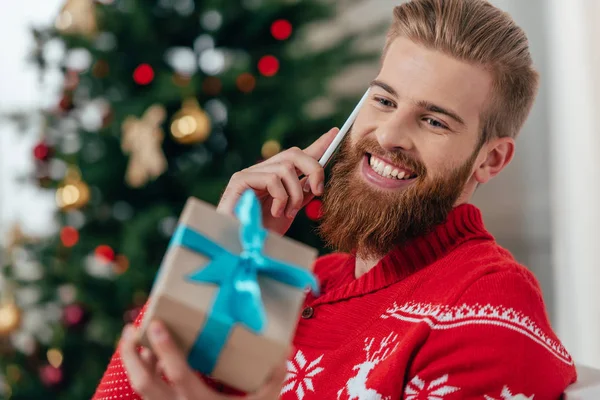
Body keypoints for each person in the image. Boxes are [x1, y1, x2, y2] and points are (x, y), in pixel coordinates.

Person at [92, 0, 578, 399]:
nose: (388, 134)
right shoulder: (298, 284)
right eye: (384, 100)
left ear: (490, 160)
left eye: (434, 121)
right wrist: (225, 250)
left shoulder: (488, 309)